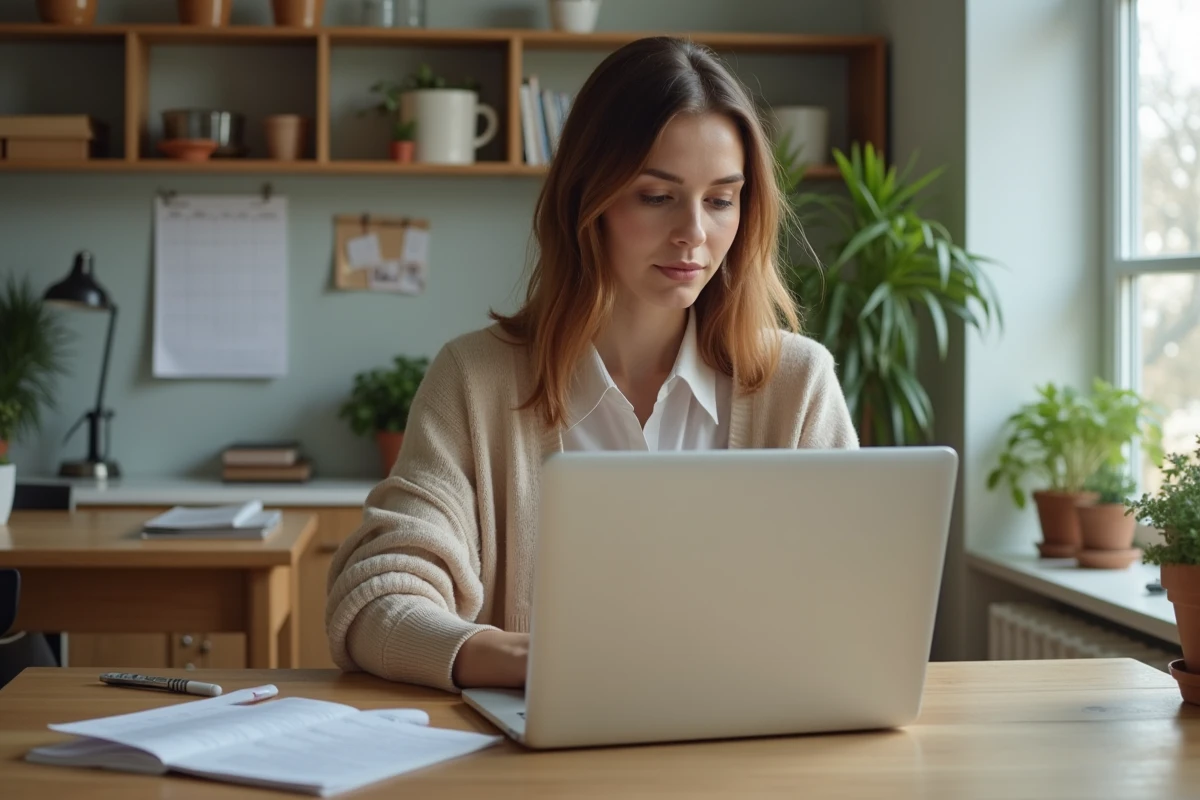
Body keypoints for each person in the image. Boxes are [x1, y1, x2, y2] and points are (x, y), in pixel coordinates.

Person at [326, 35, 859, 693]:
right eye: (656, 196)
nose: (694, 231)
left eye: (721, 199)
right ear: (591, 199)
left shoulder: (797, 386)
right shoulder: (475, 380)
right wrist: (512, 660)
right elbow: (374, 599)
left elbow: (853, 614)